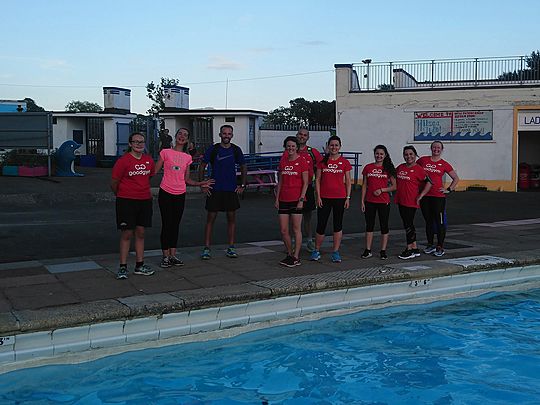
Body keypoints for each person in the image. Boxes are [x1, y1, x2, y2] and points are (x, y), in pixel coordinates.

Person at [154, 128, 214, 268]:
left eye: (185, 135)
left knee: (175, 224)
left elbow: (187, 179)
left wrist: (201, 183)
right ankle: (165, 256)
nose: (182, 137)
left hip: (180, 193)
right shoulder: (165, 152)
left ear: (187, 140)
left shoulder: (188, 157)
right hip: (166, 192)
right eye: (180, 134)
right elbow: (154, 171)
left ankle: (173, 255)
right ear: (175, 137)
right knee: (167, 223)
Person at [110, 132, 156, 279]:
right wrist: (121, 194)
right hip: (126, 200)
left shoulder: (149, 160)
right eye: (136, 142)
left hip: (144, 200)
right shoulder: (123, 161)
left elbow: (149, 176)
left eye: (141, 142)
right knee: (127, 233)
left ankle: (139, 265)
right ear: (130, 144)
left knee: (141, 232)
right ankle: (123, 267)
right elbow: (114, 182)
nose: (139, 144)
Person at [198, 125, 247, 259]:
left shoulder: (236, 150)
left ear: (232, 135)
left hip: (230, 190)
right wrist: (203, 184)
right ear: (220, 135)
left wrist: (242, 184)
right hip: (215, 189)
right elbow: (202, 165)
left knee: (231, 219)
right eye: (224, 133)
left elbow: (243, 166)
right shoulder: (213, 149)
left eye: (229, 133)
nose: (226, 135)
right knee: (210, 220)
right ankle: (206, 248)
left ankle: (231, 247)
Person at [311, 135, 352, 263]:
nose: (334, 147)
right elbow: (317, 180)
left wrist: (348, 197)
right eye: (332, 145)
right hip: (324, 198)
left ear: (340, 147)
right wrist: (318, 196)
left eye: (336, 145)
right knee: (321, 225)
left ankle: (335, 252)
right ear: (328, 146)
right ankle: (316, 250)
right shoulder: (322, 162)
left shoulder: (344, 162)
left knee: (337, 225)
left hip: (339, 198)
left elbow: (349, 181)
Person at [417, 141, 459, 257]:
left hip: (438, 197)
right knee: (429, 222)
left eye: (438, 148)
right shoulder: (423, 160)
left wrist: (449, 189)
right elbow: (415, 172)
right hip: (425, 196)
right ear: (431, 148)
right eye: (434, 147)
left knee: (439, 222)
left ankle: (440, 246)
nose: (436, 149)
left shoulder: (444, 164)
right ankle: (430, 244)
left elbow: (455, 178)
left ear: (442, 149)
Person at [275, 136, 309, 267]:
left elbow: (306, 183)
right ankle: (289, 253)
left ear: (297, 148)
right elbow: (281, 181)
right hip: (284, 198)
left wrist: (301, 199)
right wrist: (277, 198)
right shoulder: (283, 161)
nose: (290, 148)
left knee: (296, 229)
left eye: (293, 146)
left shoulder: (302, 161)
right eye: (288, 146)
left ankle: (296, 256)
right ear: (285, 147)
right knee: (284, 230)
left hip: (296, 199)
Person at [395, 145, 432, 260]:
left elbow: (429, 183)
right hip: (401, 200)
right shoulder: (400, 167)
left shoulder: (419, 169)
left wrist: (421, 195)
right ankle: (415, 248)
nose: (408, 156)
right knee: (408, 224)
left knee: (408, 225)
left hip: (411, 201)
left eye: (411, 154)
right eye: (406, 154)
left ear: (415, 155)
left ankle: (409, 249)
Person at [360, 145, 397, 260]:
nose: (379, 156)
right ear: (374, 154)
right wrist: (362, 201)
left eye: (381, 154)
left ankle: (383, 250)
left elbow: (395, 186)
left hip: (383, 201)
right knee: (369, 226)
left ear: (385, 155)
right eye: (377, 153)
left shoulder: (388, 169)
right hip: (370, 201)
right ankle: (368, 250)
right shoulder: (368, 167)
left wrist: (382, 190)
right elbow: (365, 185)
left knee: (384, 226)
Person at [293, 128, 323, 252]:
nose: (302, 137)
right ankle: (295, 242)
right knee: (293, 217)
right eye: (300, 134)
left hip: (308, 188)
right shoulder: (291, 150)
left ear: (308, 138)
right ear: (297, 135)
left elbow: (321, 167)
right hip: (293, 188)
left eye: (305, 135)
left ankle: (309, 240)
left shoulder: (313, 152)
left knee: (307, 217)